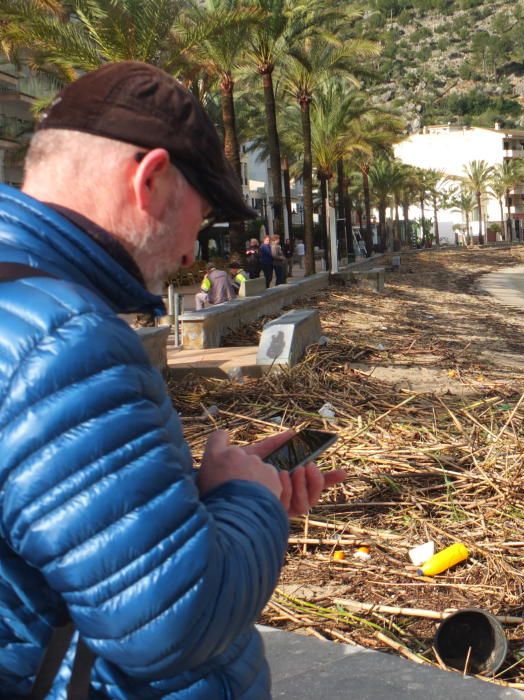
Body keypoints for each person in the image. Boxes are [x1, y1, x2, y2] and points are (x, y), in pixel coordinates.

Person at [0, 61, 345, 698]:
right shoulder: (66, 341)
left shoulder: (19, 302)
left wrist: (197, 495)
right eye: (202, 218)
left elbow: (52, 530)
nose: (192, 252)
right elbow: (174, 622)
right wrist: (251, 500)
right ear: (151, 179)